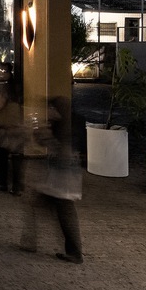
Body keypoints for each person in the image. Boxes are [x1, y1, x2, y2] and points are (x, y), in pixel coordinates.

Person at [20, 97, 84, 264]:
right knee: (50, 208)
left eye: (51, 109)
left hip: (61, 179)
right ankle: (32, 242)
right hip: (59, 178)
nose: (48, 112)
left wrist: (45, 135)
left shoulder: (66, 131)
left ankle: (73, 252)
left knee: (62, 211)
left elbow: (61, 152)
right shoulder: (65, 125)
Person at [0, 74, 26, 194]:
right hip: (18, 128)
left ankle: (1, 183)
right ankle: (17, 187)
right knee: (17, 158)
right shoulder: (19, 92)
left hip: (5, 130)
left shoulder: (4, 89)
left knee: (1, 156)